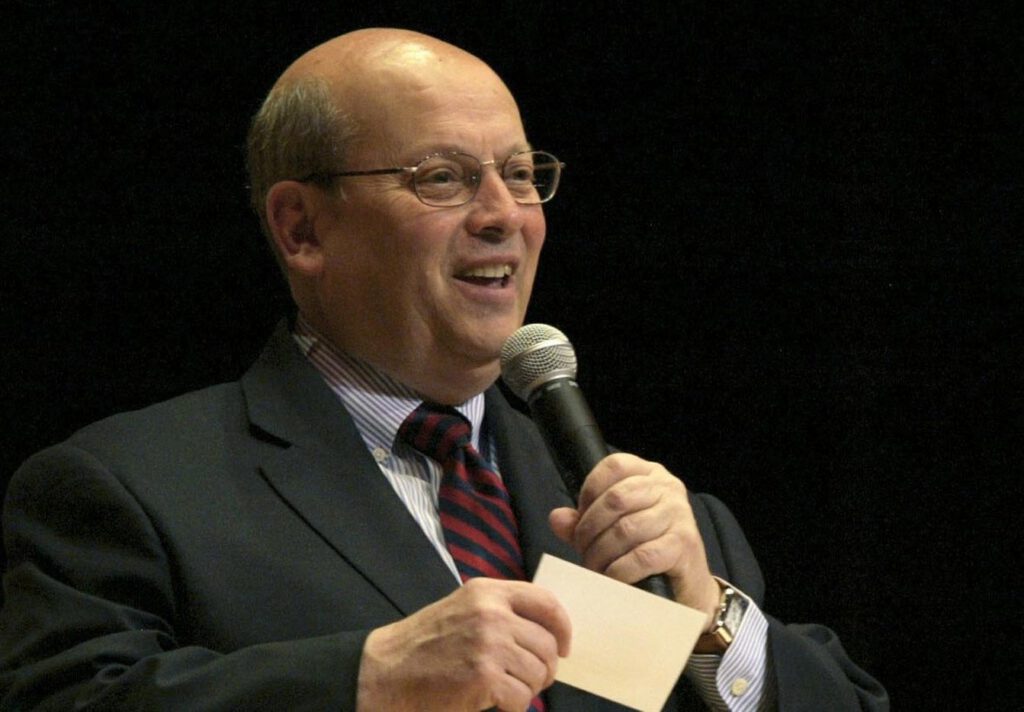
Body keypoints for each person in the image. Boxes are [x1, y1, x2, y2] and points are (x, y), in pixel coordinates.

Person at [0, 28, 887, 711]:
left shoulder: (654, 524)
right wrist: (366, 678)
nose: (505, 215)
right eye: (442, 179)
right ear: (302, 228)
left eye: (520, 173)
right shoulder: (130, 490)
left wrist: (707, 617)